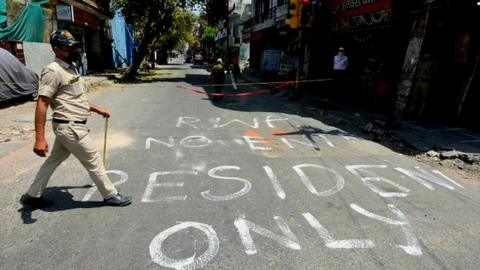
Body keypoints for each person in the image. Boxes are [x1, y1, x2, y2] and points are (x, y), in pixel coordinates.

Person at [19, 30, 132, 208]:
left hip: (69, 126)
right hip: (70, 127)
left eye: (73, 46)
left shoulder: (70, 68)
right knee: (93, 159)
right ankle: (110, 194)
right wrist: (39, 139)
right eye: (67, 47)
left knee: (54, 160)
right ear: (56, 49)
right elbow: (42, 103)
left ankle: (32, 195)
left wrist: (96, 109)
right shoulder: (53, 71)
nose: (72, 49)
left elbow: (73, 99)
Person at [407, 52, 437, 118]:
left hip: (425, 82)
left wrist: (429, 74)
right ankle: (410, 111)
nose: (426, 55)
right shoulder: (419, 62)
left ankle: (420, 113)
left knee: (423, 98)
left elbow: (434, 73)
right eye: (425, 54)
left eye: (427, 54)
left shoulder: (431, 63)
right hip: (417, 81)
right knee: (414, 97)